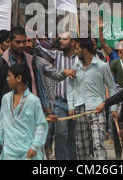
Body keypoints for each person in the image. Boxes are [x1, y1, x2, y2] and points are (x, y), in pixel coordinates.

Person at [0, 27, 51, 128]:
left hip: (28, 114)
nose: (22, 45)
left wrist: (49, 113)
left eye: (24, 42)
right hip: (6, 114)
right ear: (10, 42)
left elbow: (40, 88)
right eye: (18, 42)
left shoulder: (32, 62)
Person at [69, 38, 119, 160]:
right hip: (80, 109)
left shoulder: (102, 66)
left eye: (77, 49)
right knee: (82, 147)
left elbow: (112, 88)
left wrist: (113, 108)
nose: (75, 52)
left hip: (98, 109)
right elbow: (70, 87)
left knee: (98, 144)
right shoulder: (75, 66)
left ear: (84, 50)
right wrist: (71, 106)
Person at [34, 31, 79, 160]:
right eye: (60, 39)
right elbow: (39, 49)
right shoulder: (56, 54)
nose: (61, 41)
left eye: (65, 39)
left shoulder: (79, 58)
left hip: (77, 103)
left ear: (73, 42)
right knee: (60, 133)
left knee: (73, 135)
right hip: (60, 103)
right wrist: (34, 37)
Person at [0, 63, 48, 160]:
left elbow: (41, 125)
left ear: (18, 78)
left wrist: (35, 146)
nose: (7, 79)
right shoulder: (6, 98)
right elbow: (1, 122)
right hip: (9, 152)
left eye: (9, 76)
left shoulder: (33, 100)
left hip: (28, 153)